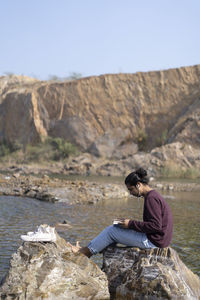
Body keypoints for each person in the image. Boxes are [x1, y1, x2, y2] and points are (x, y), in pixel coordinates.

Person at [68, 168, 173, 257]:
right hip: (157, 239)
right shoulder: (153, 195)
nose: (131, 193)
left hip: (153, 242)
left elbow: (155, 226)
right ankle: (89, 248)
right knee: (117, 227)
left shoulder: (151, 198)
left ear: (138, 185)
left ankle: (86, 252)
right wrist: (128, 225)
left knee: (111, 231)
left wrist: (130, 224)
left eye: (131, 189)